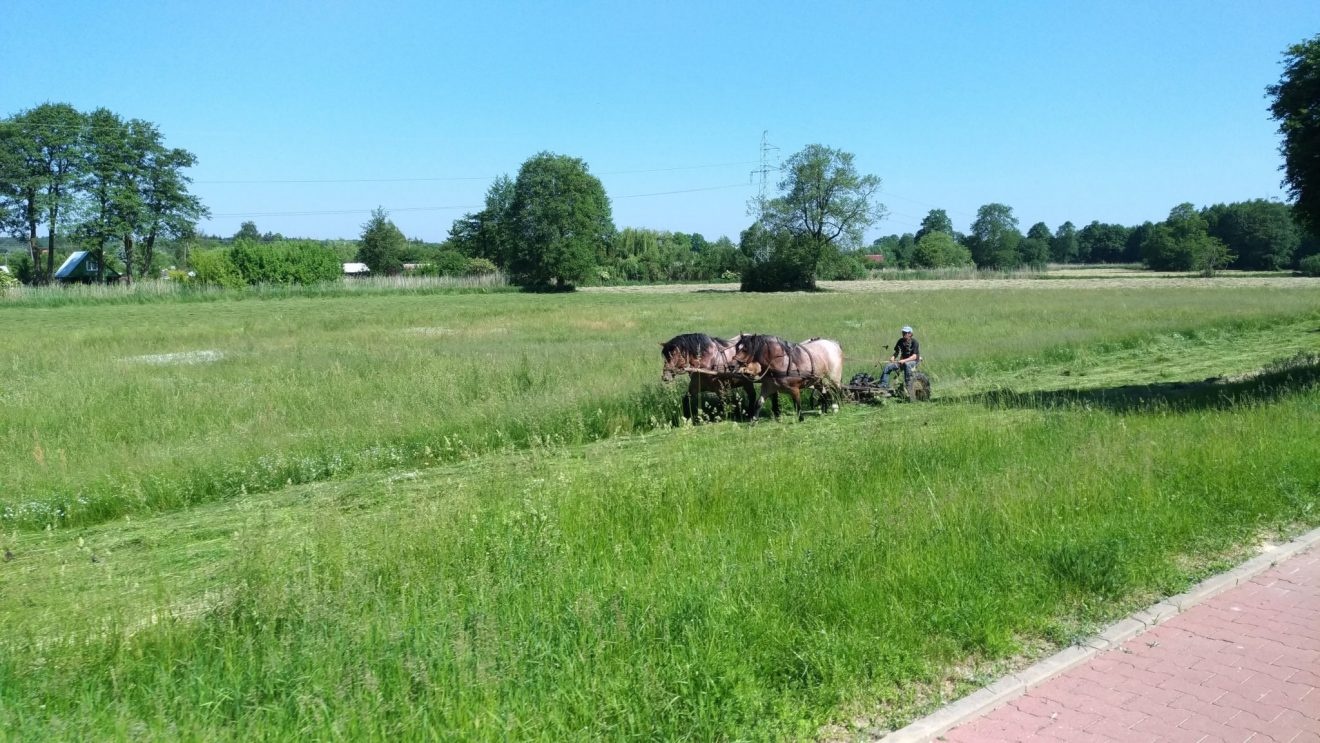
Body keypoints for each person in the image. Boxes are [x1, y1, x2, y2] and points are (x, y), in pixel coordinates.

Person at [879, 325, 920, 391]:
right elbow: (897, 352)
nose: (904, 334)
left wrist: (904, 360)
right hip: (902, 361)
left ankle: (908, 385)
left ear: (910, 334)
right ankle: (884, 384)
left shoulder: (915, 342)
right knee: (887, 366)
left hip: (913, 361)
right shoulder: (900, 341)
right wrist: (893, 357)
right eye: (903, 332)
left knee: (907, 365)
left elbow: (914, 356)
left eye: (906, 332)